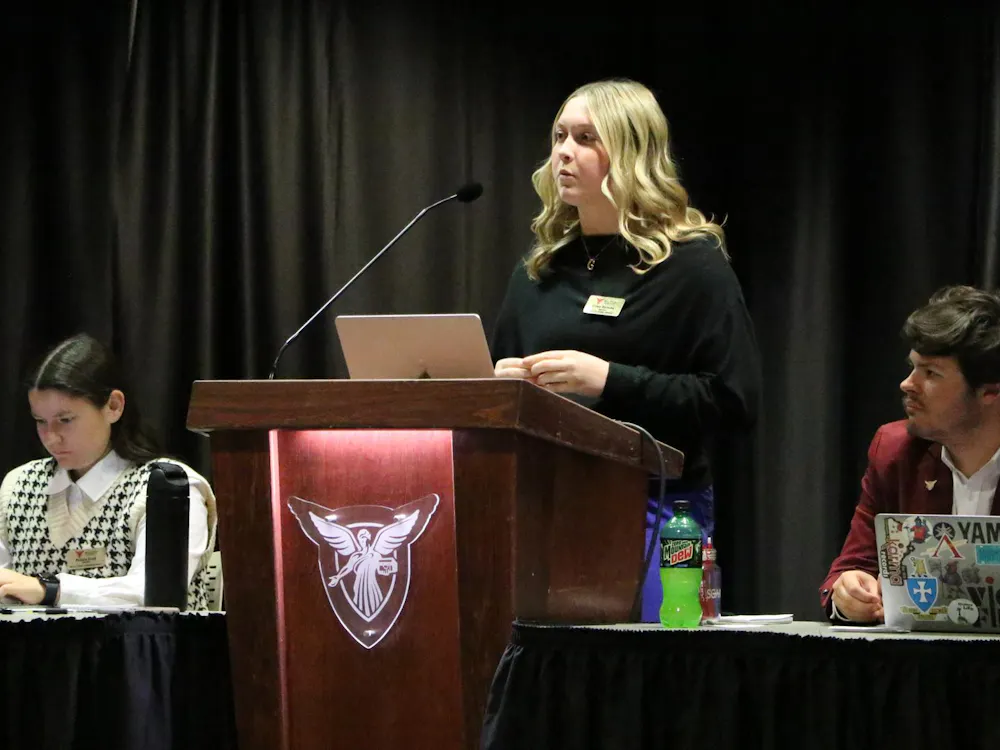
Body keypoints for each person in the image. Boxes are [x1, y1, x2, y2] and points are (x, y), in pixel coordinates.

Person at [490, 79, 760, 621]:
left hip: (659, 509)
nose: (564, 151)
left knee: (654, 674)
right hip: (550, 510)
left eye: (587, 138)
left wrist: (608, 379)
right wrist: (502, 384)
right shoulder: (540, 271)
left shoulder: (692, 266)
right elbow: (505, 386)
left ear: (633, 153)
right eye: (559, 136)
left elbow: (734, 401)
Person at [821, 285, 1000, 622]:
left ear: (990, 391)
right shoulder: (894, 451)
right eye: (913, 367)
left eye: (931, 373)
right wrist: (848, 594)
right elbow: (851, 569)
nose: (907, 384)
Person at [0, 333, 217, 609]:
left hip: (144, 649)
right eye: (40, 421)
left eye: (65, 420)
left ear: (113, 406)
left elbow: (152, 592)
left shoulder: (167, 486)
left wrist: (50, 589)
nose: (51, 437)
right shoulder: (19, 486)